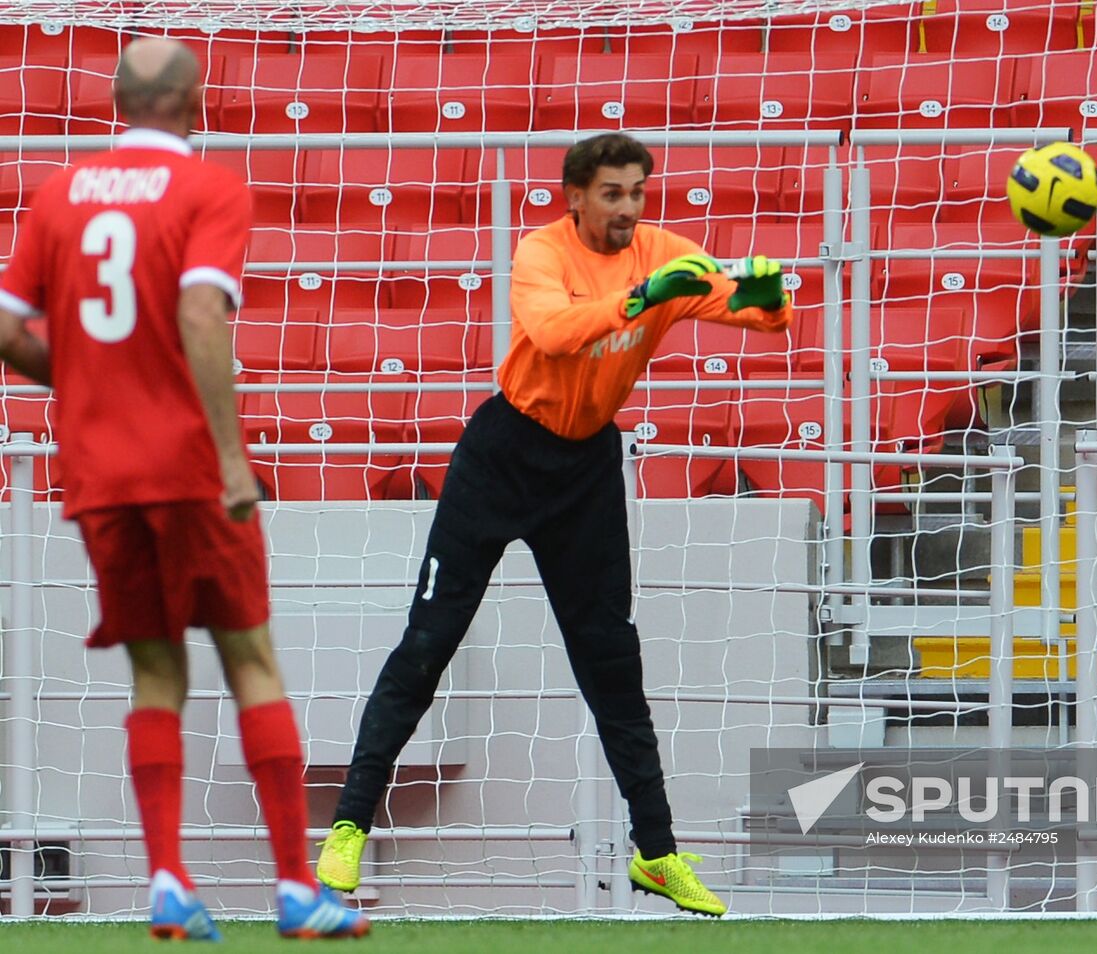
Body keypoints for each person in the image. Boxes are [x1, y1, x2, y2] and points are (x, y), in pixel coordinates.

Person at [316, 132, 792, 917]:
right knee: (428, 644)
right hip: (502, 455)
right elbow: (556, 334)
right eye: (612, 194)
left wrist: (766, 294)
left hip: (586, 471)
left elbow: (766, 317)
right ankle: (347, 828)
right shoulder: (541, 253)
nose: (628, 209)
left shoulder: (662, 250)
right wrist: (645, 297)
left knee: (614, 665)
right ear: (574, 195)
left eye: (638, 192)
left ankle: (658, 854)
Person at [0, 38, 368, 941]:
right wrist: (233, 456)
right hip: (186, 468)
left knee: (155, 670)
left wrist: (88, 383)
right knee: (250, 660)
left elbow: (8, 327)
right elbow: (200, 312)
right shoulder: (209, 189)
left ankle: (167, 877)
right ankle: (294, 888)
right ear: (194, 105)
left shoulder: (59, 195)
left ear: (118, 104)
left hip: (97, 475)